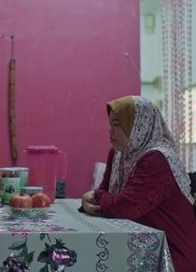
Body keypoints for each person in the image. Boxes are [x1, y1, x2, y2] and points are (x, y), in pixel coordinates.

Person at [81, 95, 196, 272]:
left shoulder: (157, 158)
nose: (110, 131)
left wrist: (95, 197)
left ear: (140, 125)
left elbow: (124, 206)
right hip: (135, 246)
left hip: (169, 255)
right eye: (111, 124)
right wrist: (95, 200)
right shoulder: (119, 154)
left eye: (117, 124)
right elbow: (106, 193)